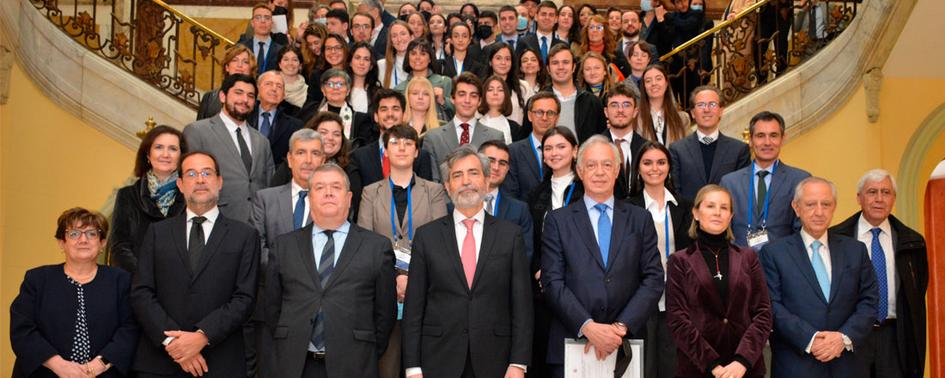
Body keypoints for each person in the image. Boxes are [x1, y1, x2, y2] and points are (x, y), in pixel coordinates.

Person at [402, 146, 533, 378]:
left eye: (473, 173)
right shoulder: (427, 236)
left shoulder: (510, 235)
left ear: (486, 181)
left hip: (497, 361)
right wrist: (413, 367)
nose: (466, 181)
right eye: (457, 175)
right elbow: (414, 307)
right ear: (447, 186)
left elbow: (521, 304)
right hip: (438, 360)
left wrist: (518, 363)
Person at [541, 135, 664, 377]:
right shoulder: (558, 221)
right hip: (572, 344)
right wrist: (588, 327)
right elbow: (552, 282)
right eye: (591, 165)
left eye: (607, 165)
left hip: (625, 345)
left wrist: (619, 328)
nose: (599, 172)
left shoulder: (640, 219)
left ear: (617, 170)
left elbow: (653, 278)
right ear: (579, 170)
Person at [131, 151, 260, 377]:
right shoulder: (157, 233)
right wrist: (174, 343)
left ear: (219, 182)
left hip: (219, 362)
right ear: (180, 184)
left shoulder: (245, 236)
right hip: (160, 363)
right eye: (191, 174)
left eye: (206, 173)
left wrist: (202, 336)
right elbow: (142, 292)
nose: (200, 179)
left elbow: (245, 298)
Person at [263, 163, 397, 377]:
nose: (328, 193)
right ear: (309, 197)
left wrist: (363, 350)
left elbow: (384, 313)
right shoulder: (283, 246)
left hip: (354, 365)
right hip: (294, 364)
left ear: (349, 197)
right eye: (319, 187)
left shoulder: (377, 247)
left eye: (336, 187)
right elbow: (272, 307)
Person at [759, 177, 879, 378]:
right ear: (796, 208)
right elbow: (772, 305)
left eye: (826, 204)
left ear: (834, 207)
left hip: (848, 365)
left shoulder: (855, 250)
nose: (819, 212)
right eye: (810, 204)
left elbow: (870, 300)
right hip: (796, 365)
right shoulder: (774, 253)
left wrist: (843, 338)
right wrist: (811, 338)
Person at [357, 125, 447, 378]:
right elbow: (365, 240)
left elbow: (439, 241)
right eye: (395, 142)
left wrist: (410, 275)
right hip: (382, 288)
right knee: (387, 364)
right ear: (385, 150)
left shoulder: (434, 191)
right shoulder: (370, 192)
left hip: (426, 287)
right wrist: (396, 275)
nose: (402, 148)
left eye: (408, 143)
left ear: (417, 151)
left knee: (422, 363)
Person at [11, 208, 138, 377]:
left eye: (92, 234)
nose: (83, 239)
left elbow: (131, 328)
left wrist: (99, 364)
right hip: (45, 373)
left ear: (102, 243)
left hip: (105, 373)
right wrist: (60, 366)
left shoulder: (121, 281)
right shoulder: (37, 279)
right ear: (61, 243)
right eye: (74, 234)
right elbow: (23, 331)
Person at [666, 185, 773, 378]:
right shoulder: (679, 261)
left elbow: (763, 314)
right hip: (698, 368)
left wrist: (742, 361)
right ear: (696, 213)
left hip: (745, 369)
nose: (717, 213)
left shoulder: (748, 258)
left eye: (724, 208)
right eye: (710, 206)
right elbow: (677, 320)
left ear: (731, 216)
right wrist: (713, 365)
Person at [829, 170, 928, 378]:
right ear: (859, 198)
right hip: (849, 337)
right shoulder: (836, 238)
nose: (879, 199)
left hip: (894, 337)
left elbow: (918, 290)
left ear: (894, 199)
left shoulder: (912, 241)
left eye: (886, 192)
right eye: (872, 192)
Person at [627, 141, 693, 378]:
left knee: (672, 367)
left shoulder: (685, 207)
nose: (654, 168)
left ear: (669, 167)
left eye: (661, 162)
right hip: (640, 299)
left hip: (677, 300)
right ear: (638, 168)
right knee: (644, 368)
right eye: (647, 163)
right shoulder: (627, 208)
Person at [183, 74, 275, 224]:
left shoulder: (262, 141)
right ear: (223, 96)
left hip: (256, 226)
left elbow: (269, 185)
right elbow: (189, 181)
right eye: (238, 93)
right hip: (213, 222)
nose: (245, 100)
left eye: (250, 96)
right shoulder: (197, 131)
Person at [720, 111, 810, 249]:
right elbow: (723, 230)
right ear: (750, 140)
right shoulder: (730, 183)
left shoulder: (800, 180)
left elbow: (803, 231)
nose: (767, 142)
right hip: (739, 264)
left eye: (773, 136)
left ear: (783, 138)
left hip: (782, 264)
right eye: (760, 136)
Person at [109, 126, 188, 273]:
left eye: (172, 149)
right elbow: (119, 248)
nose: (165, 154)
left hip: (181, 286)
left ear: (181, 156)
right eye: (159, 147)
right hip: (138, 284)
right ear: (148, 154)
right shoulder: (127, 195)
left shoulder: (192, 196)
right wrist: (144, 277)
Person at [669, 85, 750, 201]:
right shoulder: (677, 149)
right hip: (689, 217)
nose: (706, 110)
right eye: (701, 105)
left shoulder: (739, 150)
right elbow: (676, 192)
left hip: (726, 217)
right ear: (692, 113)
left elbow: (742, 192)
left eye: (712, 104)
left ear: (721, 111)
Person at [351, 89, 437, 187]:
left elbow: (426, 195)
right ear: (375, 116)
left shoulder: (421, 156)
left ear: (404, 115)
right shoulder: (360, 156)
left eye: (395, 109)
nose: (390, 114)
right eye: (384, 109)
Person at [421, 73, 504, 166]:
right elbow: (429, 178)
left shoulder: (495, 137)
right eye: (462, 94)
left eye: (473, 96)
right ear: (452, 98)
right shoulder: (433, 137)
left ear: (479, 101)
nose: (467, 100)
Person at [478, 140, 535, 260]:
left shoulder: (519, 210)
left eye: (502, 163)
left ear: (508, 169)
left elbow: (525, 254)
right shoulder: (457, 206)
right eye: (490, 160)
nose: (496, 167)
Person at [545, 44, 607, 143]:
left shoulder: (592, 102)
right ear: (548, 69)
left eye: (565, 62)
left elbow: (603, 139)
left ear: (574, 67)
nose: (561, 67)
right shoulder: (537, 101)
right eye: (555, 63)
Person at [505, 91, 558, 201]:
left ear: (557, 117)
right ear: (529, 116)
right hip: (523, 216)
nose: (544, 118)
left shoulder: (565, 151)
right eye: (539, 112)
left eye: (550, 113)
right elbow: (510, 196)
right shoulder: (513, 152)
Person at [250, 70, 305, 166]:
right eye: (268, 84)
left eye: (279, 86)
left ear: (284, 95)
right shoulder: (243, 117)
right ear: (257, 90)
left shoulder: (295, 126)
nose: (274, 89)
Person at [394, 39, 454, 121]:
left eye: (423, 54)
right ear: (408, 57)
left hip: (439, 132)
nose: (417, 58)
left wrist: (443, 101)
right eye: (413, 53)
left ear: (430, 59)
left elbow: (458, 115)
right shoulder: (398, 90)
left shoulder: (444, 82)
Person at [601, 82, 645, 194]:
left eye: (626, 105)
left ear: (635, 112)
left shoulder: (646, 147)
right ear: (606, 112)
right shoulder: (594, 147)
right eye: (614, 105)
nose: (620, 110)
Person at [197, 44, 257, 121]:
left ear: (251, 69)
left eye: (245, 62)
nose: (239, 65)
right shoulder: (209, 97)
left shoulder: (257, 102)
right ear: (227, 67)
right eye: (235, 60)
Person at [637, 64, 689, 146]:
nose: (654, 83)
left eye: (658, 79)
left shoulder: (682, 119)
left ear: (666, 83)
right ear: (644, 87)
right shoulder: (635, 120)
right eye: (648, 81)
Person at [482, 42, 531, 125]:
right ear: (490, 62)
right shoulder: (481, 86)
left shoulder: (523, 87)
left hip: (517, 135)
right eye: (498, 58)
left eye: (507, 59)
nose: (503, 63)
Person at [240, 4, 283, 74]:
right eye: (258, 17)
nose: (263, 21)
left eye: (267, 18)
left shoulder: (281, 50)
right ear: (252, 23)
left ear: (272, 23)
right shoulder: (241, 47)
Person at [478, 75, 523, 144]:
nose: (495, 93)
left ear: (506, 95)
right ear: (484, 95)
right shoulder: (474, 125)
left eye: (500, 90)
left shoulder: (515, 128)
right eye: (490, 90)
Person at [347, 42, 381, 114]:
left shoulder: (378, 93)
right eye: (357, 58)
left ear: (371, 65)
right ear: (350, 62)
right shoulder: (339, 89)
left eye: (366, 59)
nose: (361, 63)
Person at [378, 21, 413, 88]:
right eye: (394, 36)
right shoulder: (381, 66)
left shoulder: (420, 63)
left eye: (403, 34)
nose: (399, 39)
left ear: (411, 37)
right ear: (391, 41)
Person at [276, 46, 309, 110]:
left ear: (300, 65)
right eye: (286, 59)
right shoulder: (269, 86)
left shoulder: (308, 91)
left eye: (294, 60)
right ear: (279, 64)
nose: (290, 63)